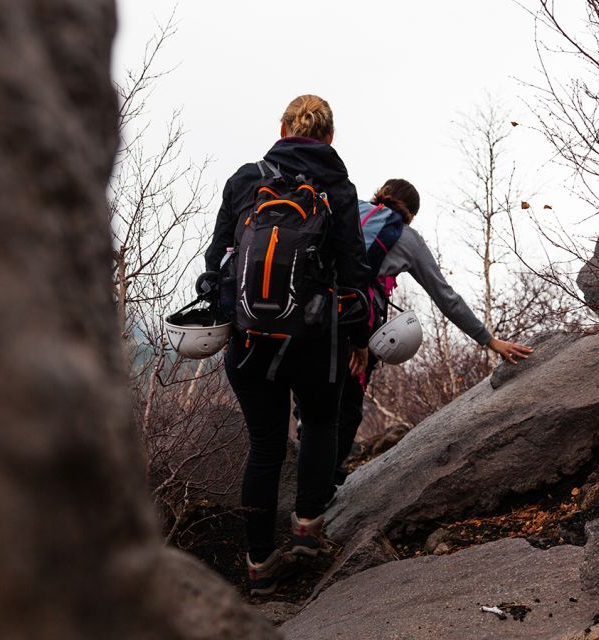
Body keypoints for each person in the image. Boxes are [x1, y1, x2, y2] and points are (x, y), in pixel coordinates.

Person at [203, 95, 371, 595]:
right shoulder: (337, 186)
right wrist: (359, 337)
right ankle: (306, 530)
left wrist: (225, 316)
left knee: (265, 446)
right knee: (319, 423)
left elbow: (217, 257)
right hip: (317, 339)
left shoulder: (244, 179)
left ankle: (258, 567)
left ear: (281, 128)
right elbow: (354, 267)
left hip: (251, 340)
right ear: (330, 138)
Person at [332, 178, 534, 487]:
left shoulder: (349, 208)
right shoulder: (408, 238)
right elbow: (445, 296)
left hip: (311, 315)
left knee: (314, 404)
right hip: (353, 328)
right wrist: (488, 339)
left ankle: (300, 477)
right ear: (411, 213)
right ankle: (321, 495)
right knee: (346, 410)